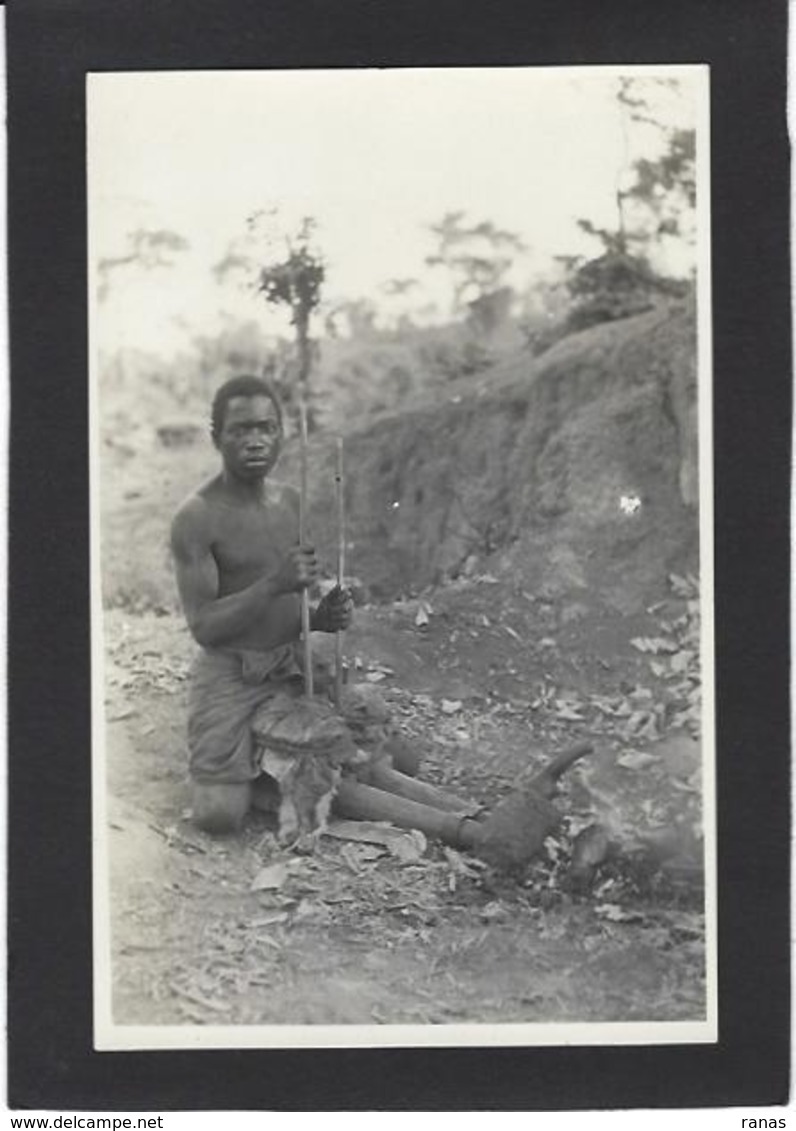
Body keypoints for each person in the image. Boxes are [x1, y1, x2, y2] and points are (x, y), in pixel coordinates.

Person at [170, 375, 353, 834]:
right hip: (231, 672)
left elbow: (286, 605)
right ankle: (270, 765)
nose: (256, 441)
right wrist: (274, 584)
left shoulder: (291, 501)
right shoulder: (196, 517)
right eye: (241, 430)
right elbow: (204, 627)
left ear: (281, 434)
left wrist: (320, 618)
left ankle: (276, 759)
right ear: (217, 438)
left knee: (382, 749)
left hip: (290, 664)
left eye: (266, 428)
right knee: (216, 815)